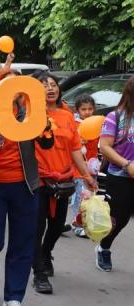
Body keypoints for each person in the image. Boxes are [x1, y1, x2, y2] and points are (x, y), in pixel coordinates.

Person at [0, 69, 55, 306]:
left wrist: (46, 127)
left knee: (23, 242)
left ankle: (14, 297)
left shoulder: (31, 115)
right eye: (6, 85)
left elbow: (47, 143)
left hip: (26, 187)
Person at [31, 73, 96, 294]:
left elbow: (75, 148)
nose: (50, 88)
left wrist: (87, 176)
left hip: (64, 178)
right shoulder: (29, 115)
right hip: (38, 179)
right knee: (37, 227)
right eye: (44, 85)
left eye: (53, 85)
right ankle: (39, 273)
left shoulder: (67, 116)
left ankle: (45, 253)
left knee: (57, 225)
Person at [97, 76, 134, 271]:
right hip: (121, 177)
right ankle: (104, 247)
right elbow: (105, 146)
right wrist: (126, 164)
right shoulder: (116, 117)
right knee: (119, 219)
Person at [70, 94, 99, 237]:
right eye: (83, 109)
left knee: (90, 197)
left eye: (90, 109)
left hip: (92, 166)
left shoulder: (97, 124)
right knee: (81, 196)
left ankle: (85, 223)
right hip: (78, 168)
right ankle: (77, 225)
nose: (87, 112)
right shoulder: (74, 124)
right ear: (77, 110)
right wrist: (79, 141)